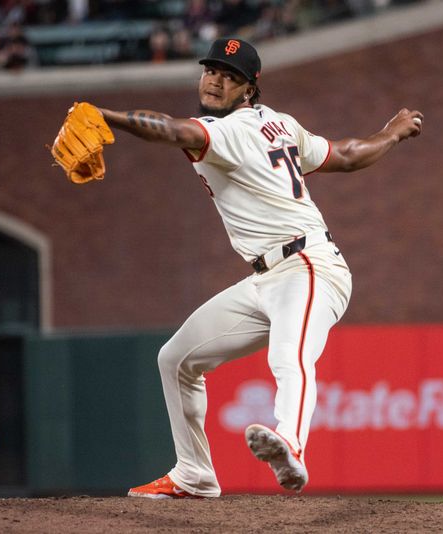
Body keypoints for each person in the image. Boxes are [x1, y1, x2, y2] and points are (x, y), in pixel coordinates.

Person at [100, 37, 423, 498]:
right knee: (176, 360)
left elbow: (173, 131)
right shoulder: (280, 125)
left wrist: (106, 118)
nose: (215, 80)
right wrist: (391, 132)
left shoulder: (233, 130)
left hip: (310, 266)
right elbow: (347, 154)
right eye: (211, 69)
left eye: (229, 76)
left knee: (289, 356)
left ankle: (290, 444)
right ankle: (194, 474)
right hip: (265, 276)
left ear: (249, 89)